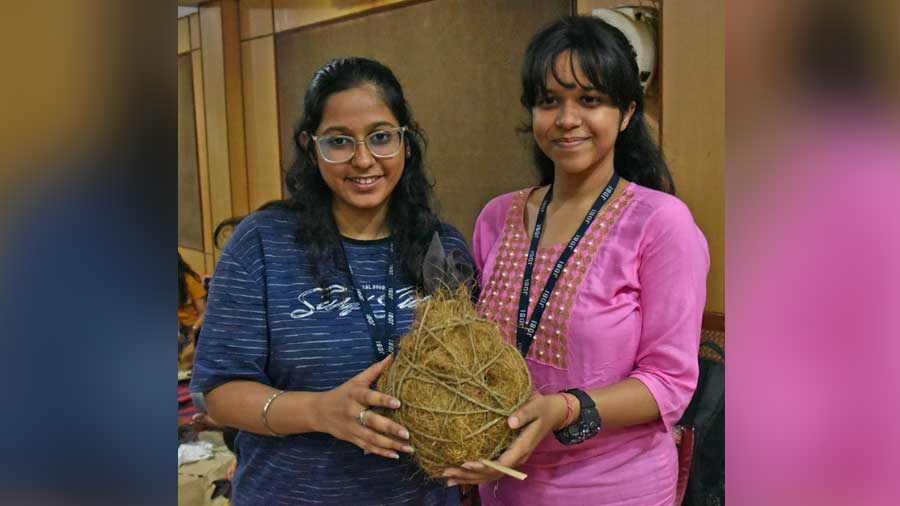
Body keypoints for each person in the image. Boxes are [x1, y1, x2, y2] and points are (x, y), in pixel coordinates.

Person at [442, 16, 710, 505]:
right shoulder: (497, 217)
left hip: (615, 488)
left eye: (590, 100)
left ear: (626, 113)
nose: (567, 119)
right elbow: (482, 355)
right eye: (549, 101)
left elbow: (669, 383)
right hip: (504, 483)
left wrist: (563, 409)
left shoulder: (661, 223)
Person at [190, 57, 472, 505]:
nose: (363, 160)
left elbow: (468, 378)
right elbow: (219, 392)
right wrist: (319, 411)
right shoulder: (262, 243)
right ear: (310, 145)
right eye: (339, 141)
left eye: (381, 137)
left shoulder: (443, 246)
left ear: (407, 142)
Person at [178, 253, 206, 370]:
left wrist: (194, 330)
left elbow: (204, 312)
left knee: (187, 361)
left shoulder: (189, 280)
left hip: (192, 328)